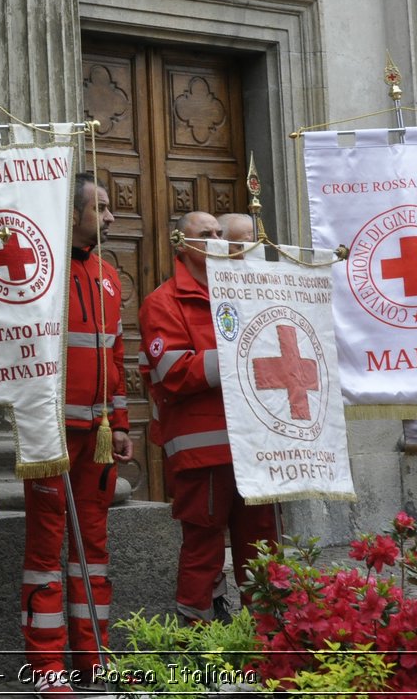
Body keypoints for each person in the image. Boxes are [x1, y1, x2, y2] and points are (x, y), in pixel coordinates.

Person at [21, 172, 131, 694]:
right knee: (46, 552)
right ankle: (46, 668)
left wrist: (123, 422)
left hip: (99, 435)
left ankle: (94, 657)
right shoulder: (39, 274)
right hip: (51, 435)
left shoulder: (109, 275)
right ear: (72, 213)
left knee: (94, 549)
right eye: (101, 208)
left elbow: (116, 355)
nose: (111, 218)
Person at [139, 211, 277, 624]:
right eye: (206, 234)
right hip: (204, 450)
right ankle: (198, 644)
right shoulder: (163, 302)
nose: (218, 240)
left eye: (220, 233)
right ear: (182, 243)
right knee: (203, 549)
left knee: (264, 548)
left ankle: (270, 639)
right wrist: (241, 356)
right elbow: (174, 372)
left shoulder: (242, 291)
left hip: (254, 445)